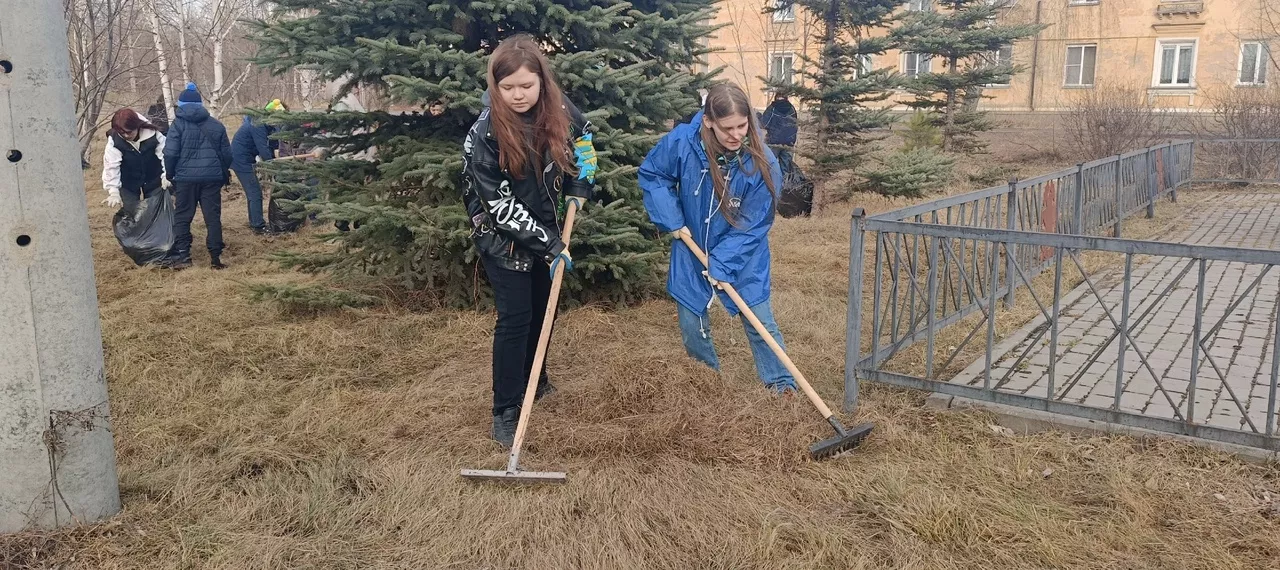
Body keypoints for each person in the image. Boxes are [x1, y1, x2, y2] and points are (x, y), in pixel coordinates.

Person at [461, 34, 597, 447]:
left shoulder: (557, 107)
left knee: (546, 310)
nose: (518, 95)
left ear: (541, 81)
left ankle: (535, 379)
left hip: (546, 224)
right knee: (516, 319)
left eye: (526, 85)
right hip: (502, 236)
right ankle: (505, 408)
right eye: (507, 87)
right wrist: (551, 245)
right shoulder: (484, 133)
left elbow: (583, 140)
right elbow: (500, 208)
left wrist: (580, 182)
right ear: (494, 86)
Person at [638, 81, 797, 394]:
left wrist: (723, 261)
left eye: (742, 125)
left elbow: (754, 223)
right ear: (708, 121)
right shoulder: (683, 142)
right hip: (691, 243)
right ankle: (708, 385)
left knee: (759, 320)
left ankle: (781, 386)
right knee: (692, 322)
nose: (737, 135)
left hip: (743, 253)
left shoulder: (762, 161)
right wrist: (671, 218)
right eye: (728, 128)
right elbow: (653, 174)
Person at [162, 82, 232, 270]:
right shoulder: (217, 125)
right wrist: (222, 173)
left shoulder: (177, 125)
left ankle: (184, 256)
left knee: (183, 217)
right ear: (201, 105)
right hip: (211, 179)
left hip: (185, 179)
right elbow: (227, 155)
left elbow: (170, 153)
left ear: (181, 105)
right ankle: (216, 258)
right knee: (212, 217)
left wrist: (170, 174)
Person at [232, 98, 287, 235]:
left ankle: (255, 222)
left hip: (247, 158)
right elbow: (263, 149)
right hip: (241, 160)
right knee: (255, 192)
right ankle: (258, 226)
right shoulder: (257, 124)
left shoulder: (267, 124)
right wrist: (274, 167)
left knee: (254, 192)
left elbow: (273, 143)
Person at [101, 108, 169, 213]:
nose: (126, 136)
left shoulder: (154, 135)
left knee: (155, 211)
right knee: (131, 212)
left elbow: (166, 155)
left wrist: (167, 175)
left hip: (154, 179)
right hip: (128, 182)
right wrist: (113, 191)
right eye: (122, 133)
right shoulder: (114, 142)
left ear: (137, 126)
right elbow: (111, 166)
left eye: (129, 132)